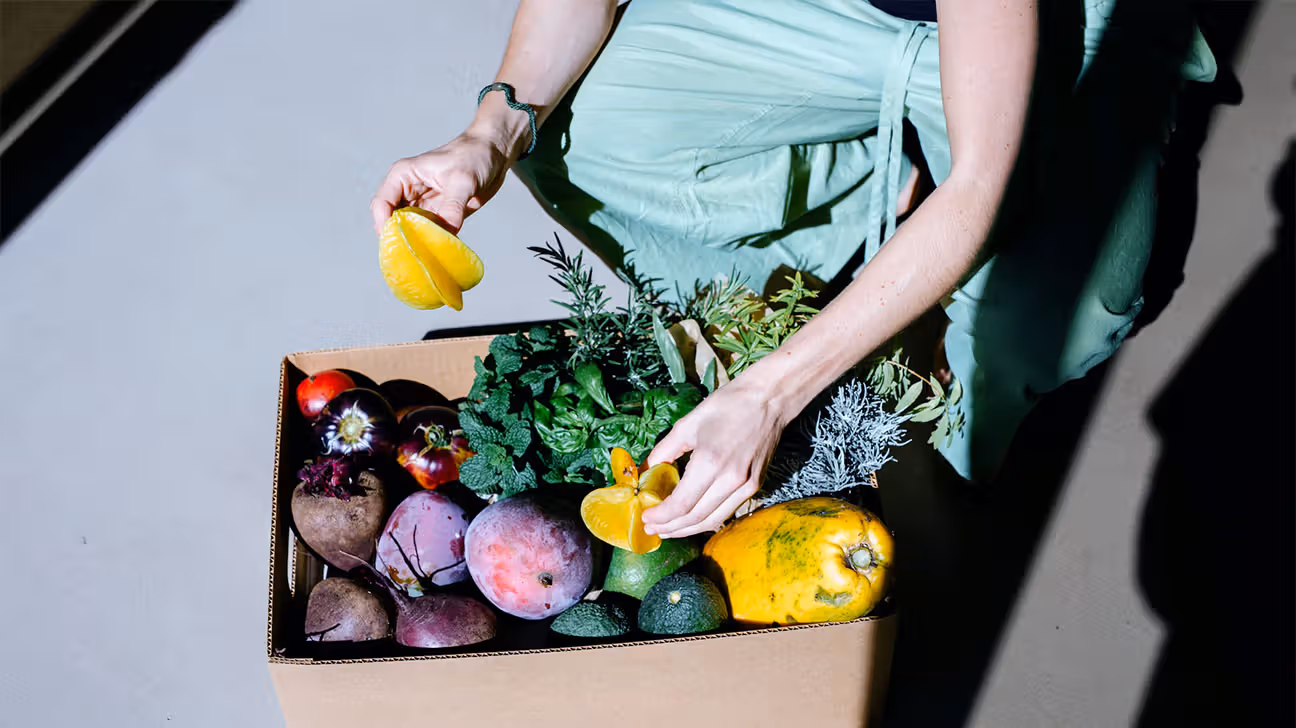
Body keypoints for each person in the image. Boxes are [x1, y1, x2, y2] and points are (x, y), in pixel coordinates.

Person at [370, 0, 1215, 539]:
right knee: (576, 133)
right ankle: (852, 219)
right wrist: (488, 133)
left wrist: (770, 396)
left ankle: (904, 290)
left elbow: (981, 183)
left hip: (1044, 32)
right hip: (824, 17)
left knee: (1061, 314)